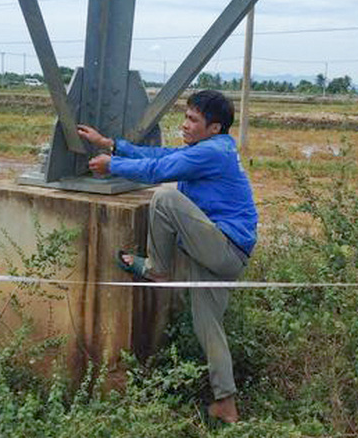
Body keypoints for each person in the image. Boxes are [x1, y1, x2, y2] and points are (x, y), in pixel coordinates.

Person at [77, 89, 258, 423]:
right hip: (227, 253)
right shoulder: (209, 148)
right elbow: (163, 155)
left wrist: (112, 165)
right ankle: (226, 404)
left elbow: (159, 169)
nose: (185, 124)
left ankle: (158, 269)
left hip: (223, 245)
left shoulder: (212, 152)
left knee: (165, 198)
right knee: (209, 327)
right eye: (185, 116)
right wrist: (110, 144)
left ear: (214, 127)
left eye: (193, 119)